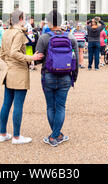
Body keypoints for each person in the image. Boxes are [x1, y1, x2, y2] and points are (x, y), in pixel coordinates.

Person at [0, 10, 43, 145]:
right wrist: (31, 58)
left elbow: (2, 55)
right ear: (22, 18)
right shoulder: (18, 33)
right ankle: (16, 137)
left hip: (8, 70)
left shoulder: (6, 32)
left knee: (6, 104)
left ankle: (3, 134)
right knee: (18, 105)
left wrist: (8, 65)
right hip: (18, 71)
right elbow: (14, 52)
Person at [36, 10, 78, 147]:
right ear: (60, 22)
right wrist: (74, 77)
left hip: (48, 74)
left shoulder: (44, 37)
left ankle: (53, 137)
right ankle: (58, 134)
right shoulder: (70, 37)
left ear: (48, 22)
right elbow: (75, 60)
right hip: (65, 75)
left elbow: (38, 59)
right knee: (60, 107)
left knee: (50, 106)